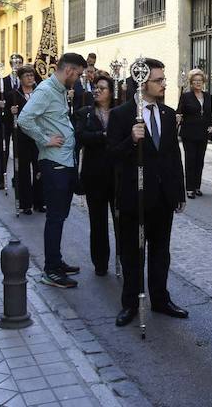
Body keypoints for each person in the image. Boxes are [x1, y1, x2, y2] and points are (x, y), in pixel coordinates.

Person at [107, 58, 188, 325]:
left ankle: (160, 299)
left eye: (163, 79)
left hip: (163, 197)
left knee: (160, 252)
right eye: (158, 80)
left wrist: (179, 191)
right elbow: (112, 156)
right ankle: (130, 303)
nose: (164, 84)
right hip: (135, 196)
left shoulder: (166, 114)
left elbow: (173, 155)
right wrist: (131, 140)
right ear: (143, 83)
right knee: (132, 253)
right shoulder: (121, 114)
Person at [17, 53, 87, 289]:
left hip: (65, 162)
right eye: (77, 74)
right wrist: (45, 139)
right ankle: (51, 271)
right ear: (69, 71)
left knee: (60, 216)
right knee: (55, 218)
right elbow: (24, 119)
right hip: (54, 163)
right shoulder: (46, 90)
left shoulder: (58, 90)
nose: (77, 79)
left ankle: (56, 262)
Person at [75, 72, 118, 276]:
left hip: (117, 176)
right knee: (98, 222)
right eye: (95, 88)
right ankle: (100, 262)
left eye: (102, 88)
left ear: (111, 92)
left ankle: (122, 259)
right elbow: (81, 136)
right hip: (94, 175)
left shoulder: (119, 113)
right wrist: (102, 136)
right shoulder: (85, 113)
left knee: (121, 220)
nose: (97, 91)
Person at [6, 66, 45, 215]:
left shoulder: (39, 94)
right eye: (27, 76)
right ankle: (25, 203)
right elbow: (6, 119)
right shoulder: (14, 95)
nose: (30, 78)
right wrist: (10, 112)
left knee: (39, 169)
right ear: (20, 78)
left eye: (31, 75)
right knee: (23, 170)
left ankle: (40, 201)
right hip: (21, 137)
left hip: (38, 136)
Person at [177, 68, 212, 199]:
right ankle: (189, 188)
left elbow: (210, 114)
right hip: (189, 133)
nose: (198, 83)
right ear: (191, 83)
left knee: (200, 160)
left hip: (203, 133)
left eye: (200, 81)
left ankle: (197, 186)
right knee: (190, 160)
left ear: (203, 82)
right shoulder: (186, 96)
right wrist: (178, 118)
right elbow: (179, 112)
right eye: (195, 81)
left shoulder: (208, 96)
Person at [0, 54, 24, 189]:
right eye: (14, 63)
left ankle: (17, 178)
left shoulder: (25, 82)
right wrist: (0, 103)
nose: (16, 65)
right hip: (6, 121)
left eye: (19, 63)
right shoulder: (4, 80)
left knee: (19, 151)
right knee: (4, 150)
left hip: (21, 121)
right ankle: (2, 177)